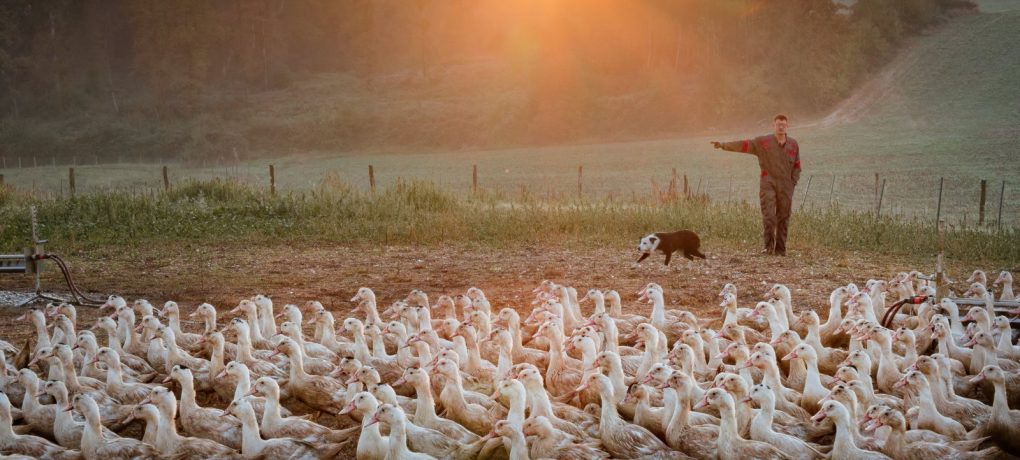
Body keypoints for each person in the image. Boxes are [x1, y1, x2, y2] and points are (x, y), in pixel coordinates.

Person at [711, 114, 801, 256]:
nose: (781, 126)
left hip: (786, 186)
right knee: (769, 216)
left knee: (784, 217)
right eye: (778, 124)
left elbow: (797, 165)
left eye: (783, 124)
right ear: (774, 125)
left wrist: (792, 182)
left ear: (787, 126)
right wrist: (723, 145)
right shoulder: (763, 142)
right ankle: (768, 248)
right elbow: (744, 145)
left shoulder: (793, 144)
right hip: (768, 183)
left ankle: (780, 250)